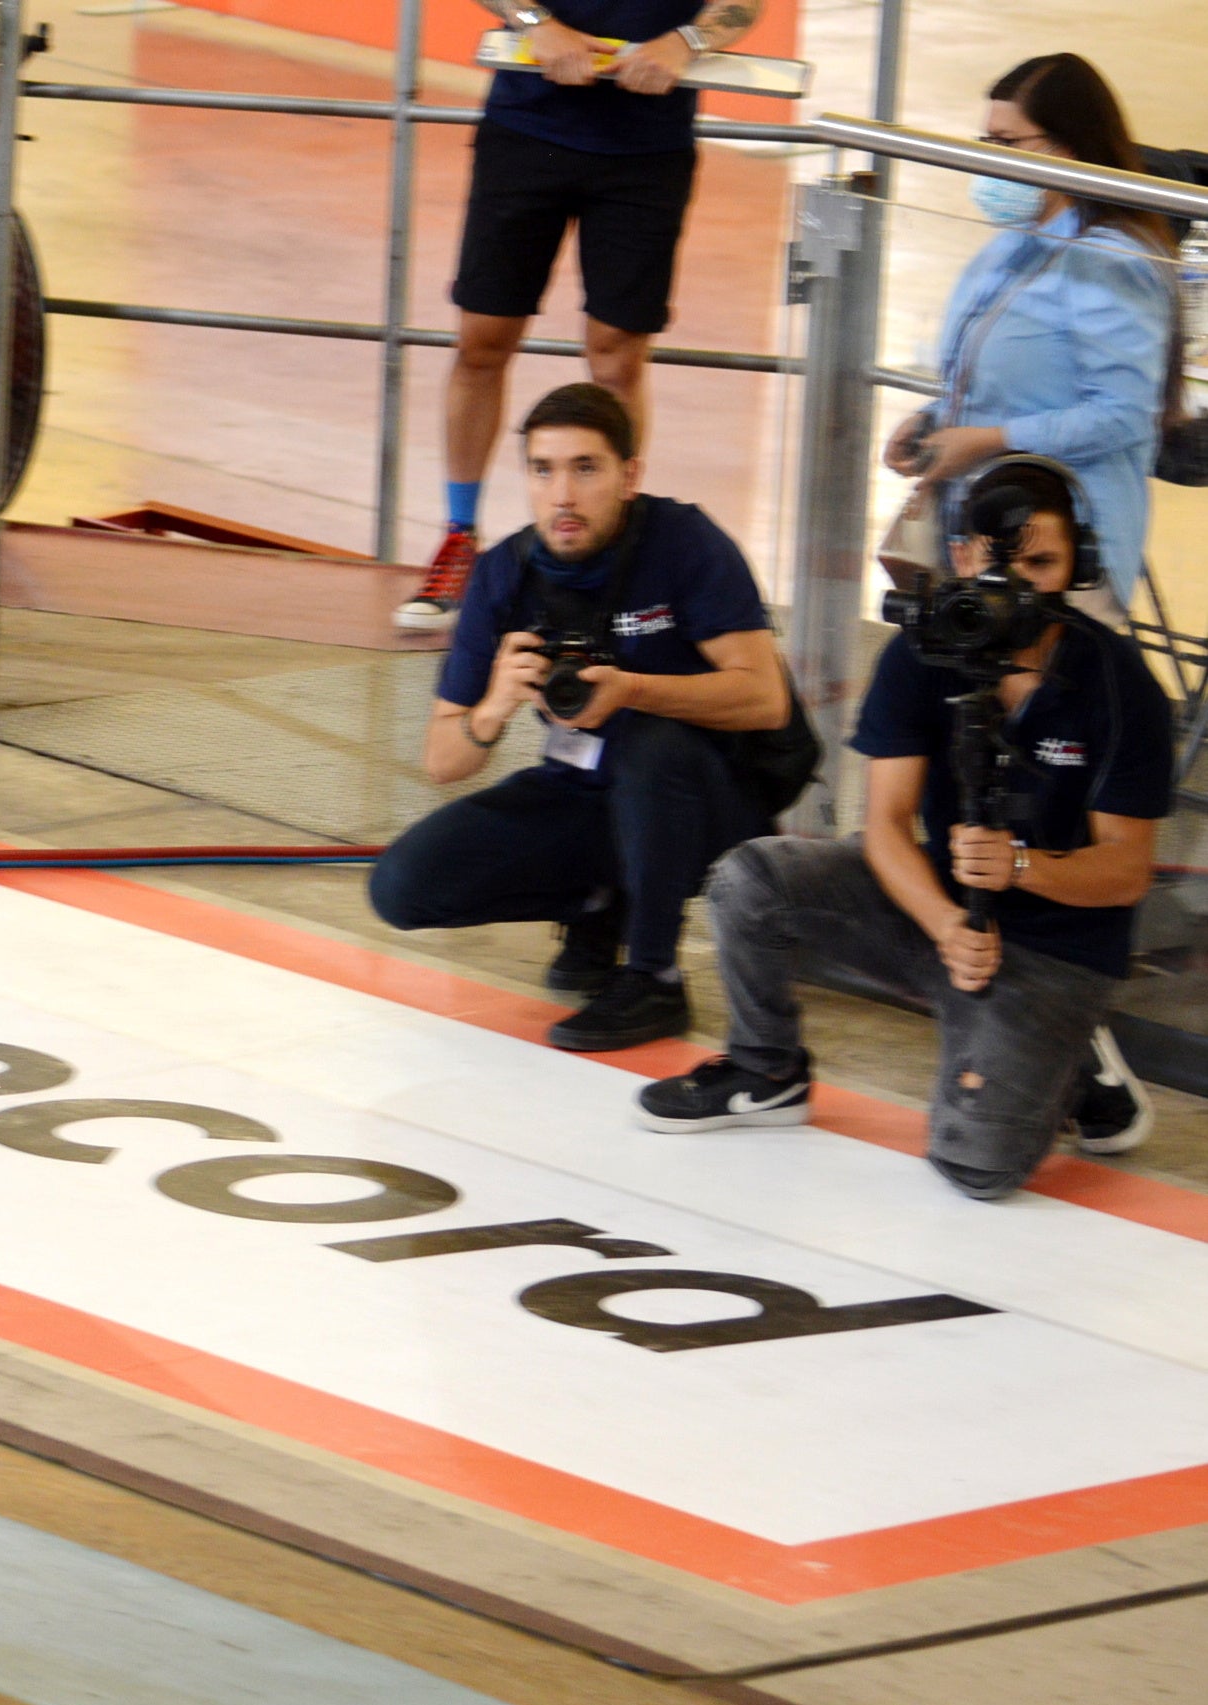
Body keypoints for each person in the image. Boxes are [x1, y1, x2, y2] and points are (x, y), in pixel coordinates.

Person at [638, 460, 1174, 1193]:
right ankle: (767, 1070)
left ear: (1075, 564)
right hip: (942, 915)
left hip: (1058, 950)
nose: (1015, 586)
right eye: (998, 560)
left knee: (975, 1167)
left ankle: (1070, 1058)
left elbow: (1125, 871)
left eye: (1042, 562)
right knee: (750, 882)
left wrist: (1021, 867)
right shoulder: (925, 647)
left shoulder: (1120, 682)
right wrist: (949, 924)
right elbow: (885, 824)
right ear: (962, 556)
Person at [369, 382, 789, 1051]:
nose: (562, 495)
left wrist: (631, 690)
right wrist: (495, 706)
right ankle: (597, 899)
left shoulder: (684, 543)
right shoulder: (504, 574)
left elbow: (765, 698)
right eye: (543, 470)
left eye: (585, 468)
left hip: (712, 797)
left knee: (651, 746)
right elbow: (442, 760)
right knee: (402, 886)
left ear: (630, 476)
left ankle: (654, 977)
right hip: (586, 789)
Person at [398, 0, 765, 631]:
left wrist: (688, 41)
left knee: (618, 358)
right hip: (526, 132)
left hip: (647, 149)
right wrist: (538, 26)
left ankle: (610, 552)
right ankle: (460, 537)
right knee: (482, 342)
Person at [881, 53, 1180, 626]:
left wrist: (989, 439)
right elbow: (998, 377)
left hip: (1060, 549)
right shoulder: (1011, 246)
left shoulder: (1112, 260)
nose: (989, 159)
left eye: (1007, 143)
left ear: (1069, 146)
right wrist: (933, 419)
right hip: (981, 533)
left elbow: (1124, 416)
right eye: (985, 139)